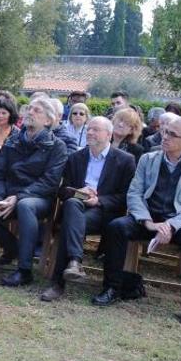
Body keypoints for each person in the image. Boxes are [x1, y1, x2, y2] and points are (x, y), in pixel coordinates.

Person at [94, 117, 181, 327]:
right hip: (148, 217)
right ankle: (112, 288)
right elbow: (135, 194)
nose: (165, 137)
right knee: (116, 227)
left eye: (172, 134)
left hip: (179, 222)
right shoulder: (148, 159)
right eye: (166, 132)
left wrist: (172, 225)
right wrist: (148, 222)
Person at [39, 117, 136, 302]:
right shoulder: (76, 157)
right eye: (89, 129)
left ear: (109, 134)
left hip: (104, 213)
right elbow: (62, 190)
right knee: (72, 205)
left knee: (70, 221)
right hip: (77, 205)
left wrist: (99, 200)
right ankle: (74, 261)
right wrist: (79, 192)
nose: (90, 132)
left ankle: (59, 282)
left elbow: (126, 196)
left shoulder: (125, 160)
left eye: (96, 130)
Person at [0, 96, 68, 287]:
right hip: (7, 195)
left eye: (37, 110)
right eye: (29, 108)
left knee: (25, 206)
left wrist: (18, 197)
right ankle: (15, 248)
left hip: (37, 199)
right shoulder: (13, 141)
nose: (30, 112)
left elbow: (50, 182)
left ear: (49, 121)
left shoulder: (57, 146)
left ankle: (24, 271)